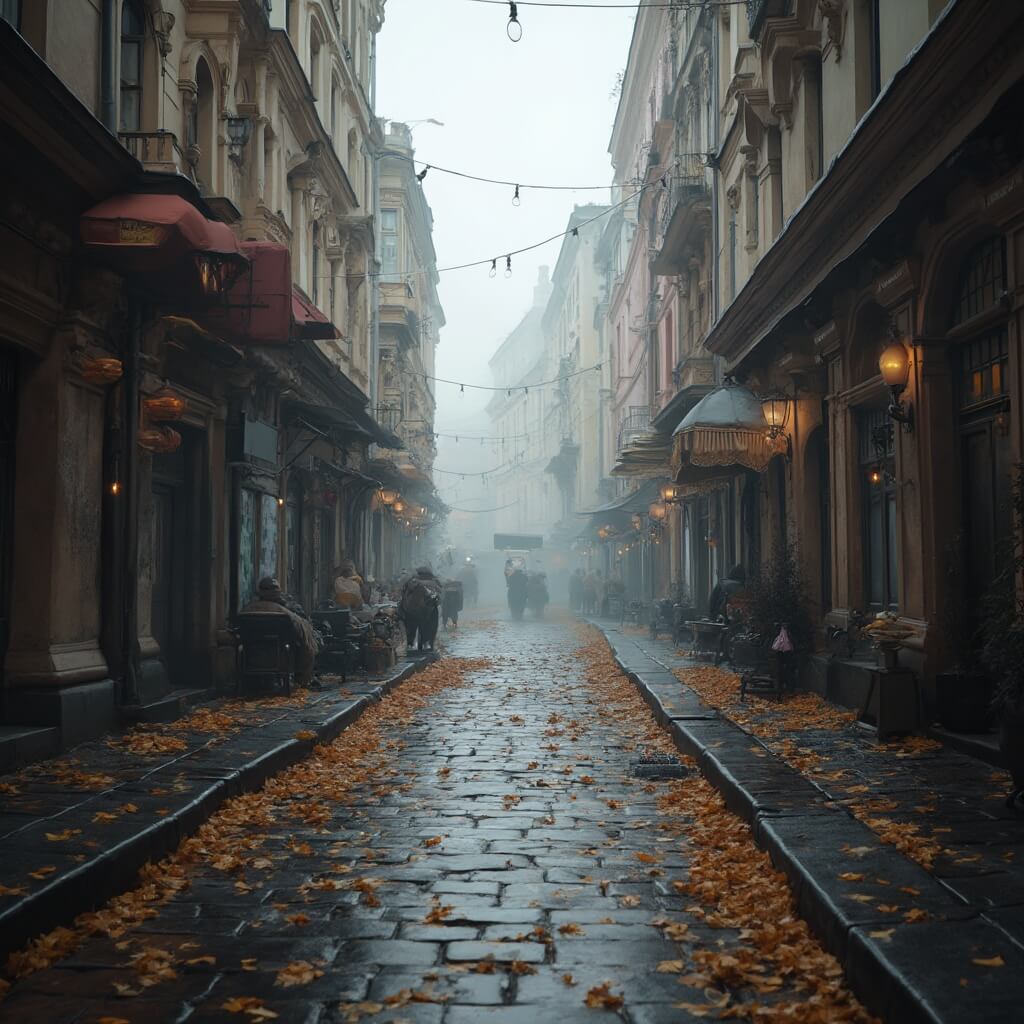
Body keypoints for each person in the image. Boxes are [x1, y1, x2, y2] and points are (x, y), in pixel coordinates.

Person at [240, 577, 320, 687]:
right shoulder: (285, 614)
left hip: (253, 655)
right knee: (304, 643)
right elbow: (304, 639)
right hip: (282, 654)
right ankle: (302, 679)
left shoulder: (249, 609)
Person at [400, 565, 442, 651]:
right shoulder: (434, 582)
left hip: (411, 611)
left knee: (410, 628)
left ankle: (410, 644)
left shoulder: (411, 581)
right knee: (429, 628)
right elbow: (439, 595)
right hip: (428, 611)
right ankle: (426, 643)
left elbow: (404, 593)